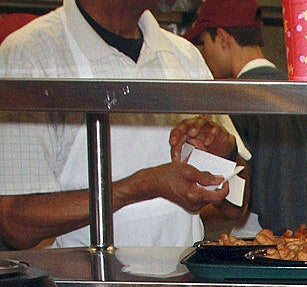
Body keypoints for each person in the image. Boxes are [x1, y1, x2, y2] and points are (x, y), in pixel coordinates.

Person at [0, 0, 249, 250]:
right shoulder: (31, 56)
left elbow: (236, 208)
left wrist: (226, 155)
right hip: (82, 275)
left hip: (182, 274)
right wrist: (141, 187)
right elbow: (16, 224)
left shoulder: (183, 56)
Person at [184, 0, 307, 236]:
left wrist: (181, 209)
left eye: (204, 43)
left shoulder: (231, 101)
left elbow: (233, 202)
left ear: (223, 38)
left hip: (250, 249)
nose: (204, 55)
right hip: (303, 251)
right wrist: (299, 233)